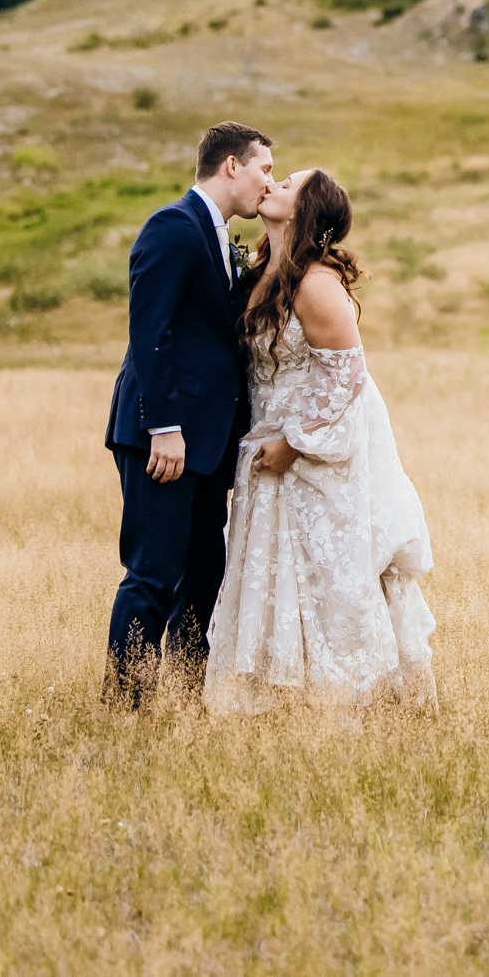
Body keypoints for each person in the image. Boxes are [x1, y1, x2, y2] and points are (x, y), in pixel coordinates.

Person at [205, 166, 435, 712]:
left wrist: (295, 441)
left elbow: (346, 375)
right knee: (273, 565)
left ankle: (343, 695)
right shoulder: (265, 272)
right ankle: (275, 696)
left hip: (308, 451)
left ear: (306, 210)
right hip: (263, 443)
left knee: (324, 570)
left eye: (289, 184)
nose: (274, 186)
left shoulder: (315, 283)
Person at [103, 121, 276, 706]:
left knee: (205, 573)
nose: (268, 183)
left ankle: (182, 695)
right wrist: (166, 428)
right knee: (153, 572)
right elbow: (151, 334)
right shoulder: (171, 227)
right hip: (163, 437)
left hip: (205, 444)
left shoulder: (219, 237)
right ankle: (124, 704)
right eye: (265, 169)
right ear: (232, 166)